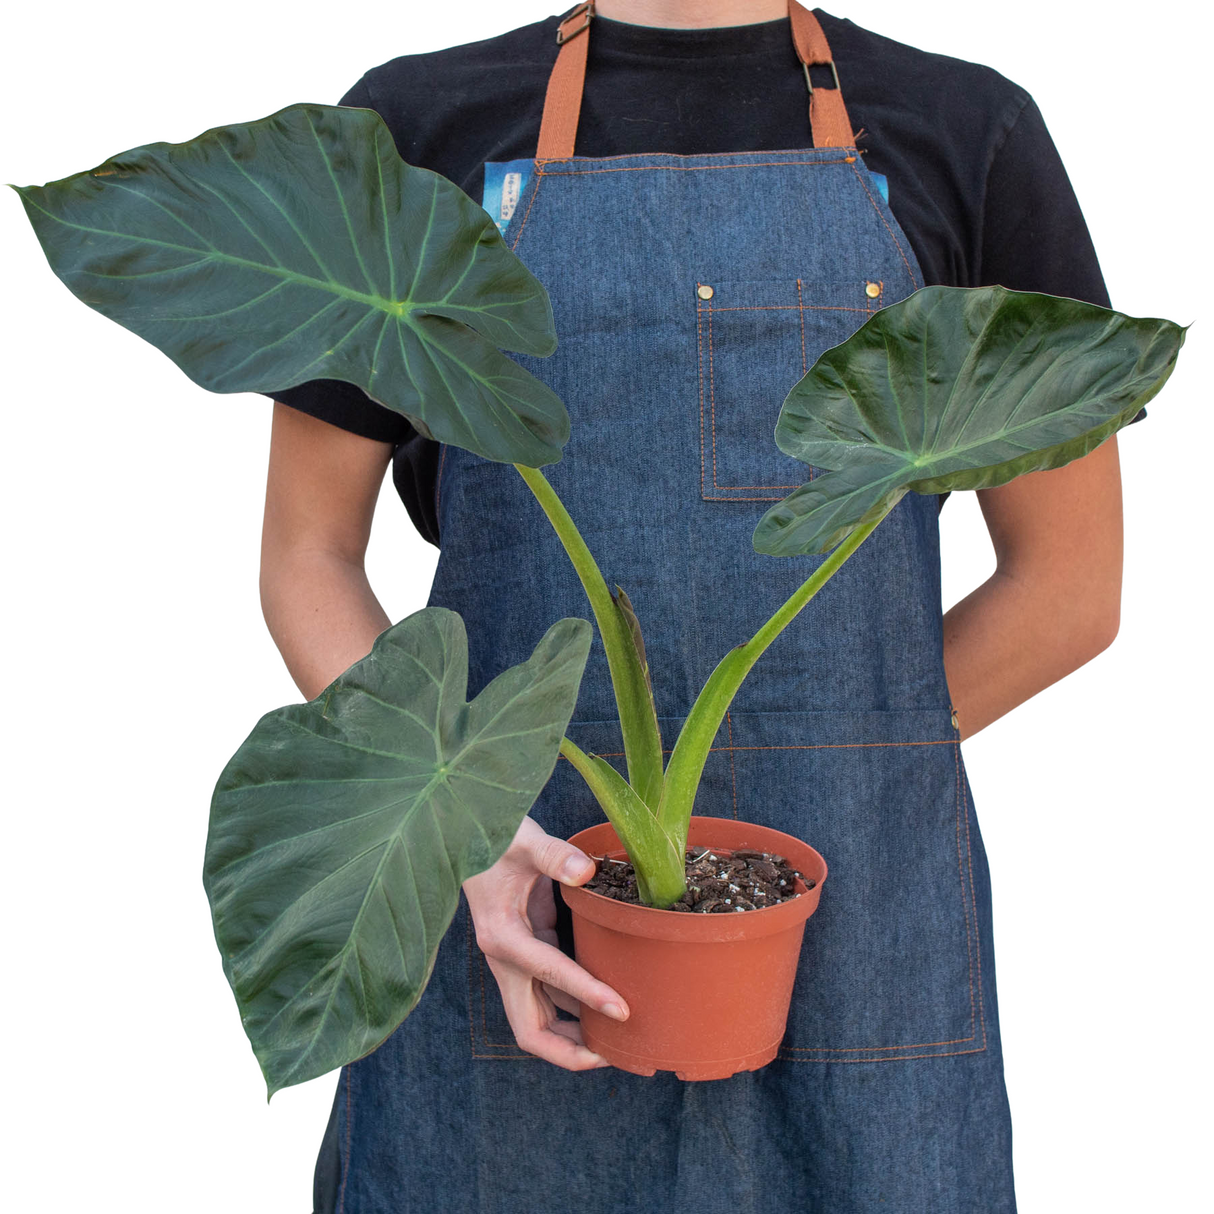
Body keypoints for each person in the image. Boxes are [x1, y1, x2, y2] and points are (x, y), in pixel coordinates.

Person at [260, 2, 1126, 1209]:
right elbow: (307, 555)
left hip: (850, 915)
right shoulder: (417, 125)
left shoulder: (962, 127)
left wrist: (838, 779)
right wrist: (463, 819)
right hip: (513, 906)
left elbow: (1067, 590)